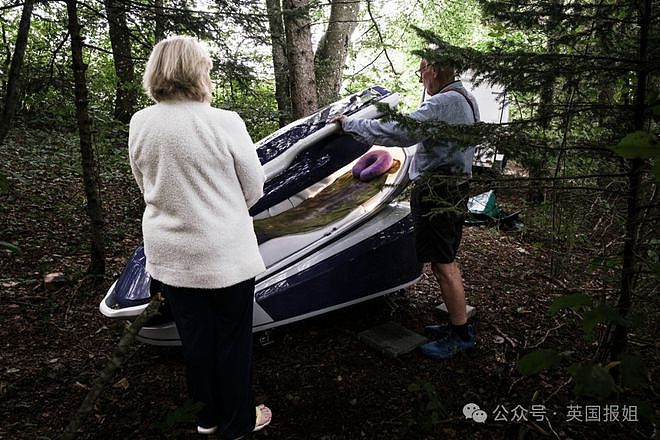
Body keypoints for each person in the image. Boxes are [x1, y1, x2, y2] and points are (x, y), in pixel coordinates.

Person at [128, 35, 272, 436]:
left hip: (170, 251)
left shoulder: (141, 121)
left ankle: (206, 419)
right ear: (198, 71)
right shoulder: (224, 121)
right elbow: (254, 187)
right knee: (232, 339)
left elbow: (145, 184)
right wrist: (221, 207)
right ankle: (238, 423)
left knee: (194, 339)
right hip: (223, 250)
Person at [332, 58, 480, 359]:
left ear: (435, 70)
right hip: (453, 187)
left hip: (439, 191)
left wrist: (349, 124)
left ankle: (461, 334)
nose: (420, 77)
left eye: (421, 71)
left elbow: (400, 131)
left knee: (443, 262)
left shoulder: (442, 102)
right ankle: (456, 324)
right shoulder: (466, 98)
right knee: (445, 258)